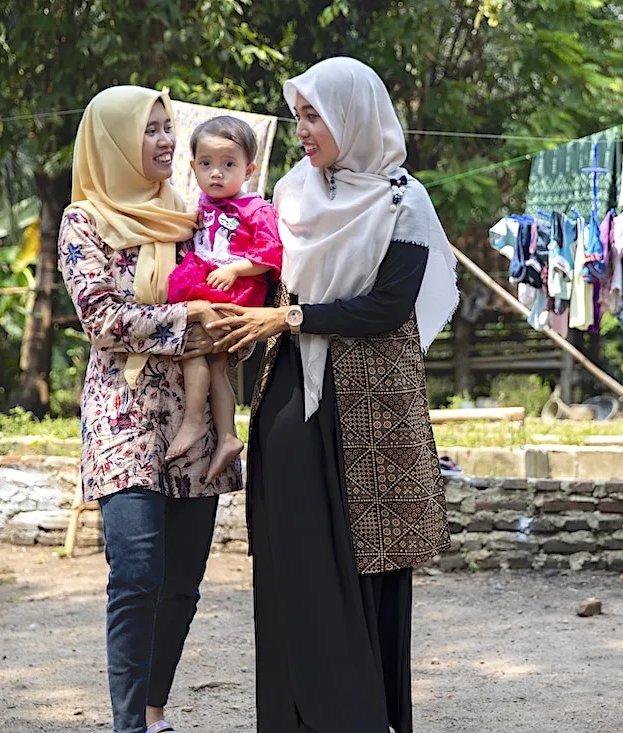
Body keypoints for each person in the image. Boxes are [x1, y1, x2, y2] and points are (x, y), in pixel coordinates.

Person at [209, 57, 460, 733]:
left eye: (314, 115)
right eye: (298, 116)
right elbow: (276, 271)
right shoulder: (291, 194)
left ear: (353, 114)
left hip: (372, 405)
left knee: (368, 559)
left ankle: (360, 715)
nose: (302, 130)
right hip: (291, 389)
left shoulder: (404, 200)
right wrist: (249, 277)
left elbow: (384, 307)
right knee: (293, 556)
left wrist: (290, 318)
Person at [58, 85, 243, 733]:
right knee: (136, 573)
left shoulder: (192, 216)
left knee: (184, 583)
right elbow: (103, 318)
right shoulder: (84, 221)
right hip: (125, 417)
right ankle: (128, 724)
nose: (167, 140)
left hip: (196, 417)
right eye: (151, 130)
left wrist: (226, 317)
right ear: (113, 141)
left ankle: (154, 709)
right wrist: (190, 319)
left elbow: (233, 295)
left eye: (170, 128)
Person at [165, 116, 283, 482]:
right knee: (215, 366)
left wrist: (237, 270)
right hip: (206, 282)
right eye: (206, 164)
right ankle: (228, 436)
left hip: (233, 289)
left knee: (194, 350)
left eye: (228, 164)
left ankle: (193, 421)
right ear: (193, 166)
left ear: (249, 169)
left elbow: (272, 252)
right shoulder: (199, 204)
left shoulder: (256, 208)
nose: (216, 173)